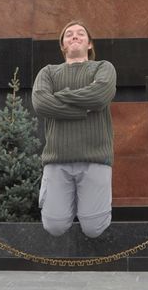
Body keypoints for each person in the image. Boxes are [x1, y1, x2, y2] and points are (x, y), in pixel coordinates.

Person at [31, 20, 116, 238]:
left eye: (80, 33)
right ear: (62, 45)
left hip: (95, 159)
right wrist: (82, 111)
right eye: (69, 34)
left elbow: (99, 96)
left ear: (89, 44)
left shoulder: (103, 68)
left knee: (94, 228)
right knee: (54, 226)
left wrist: (59, 97)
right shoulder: (48, 73)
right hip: (57, 160)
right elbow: (41, 104)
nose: (74, 36)